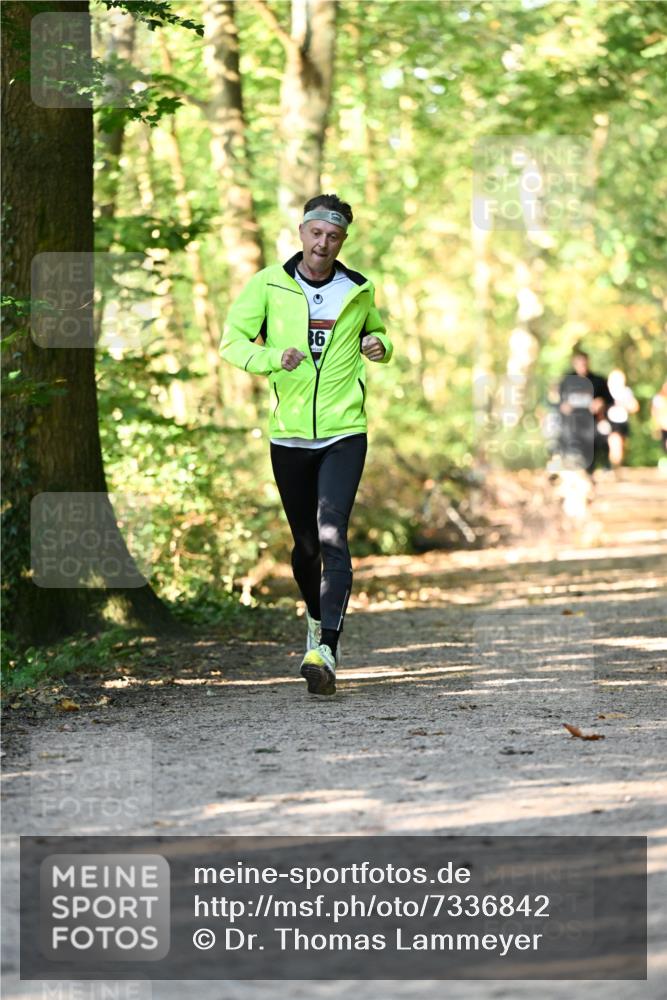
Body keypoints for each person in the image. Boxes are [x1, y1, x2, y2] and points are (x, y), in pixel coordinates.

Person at [219, 194, 393, 696]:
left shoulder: (357, 288)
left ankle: (328, 650)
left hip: (344, 431)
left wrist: (380, 346)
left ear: (343, 240)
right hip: (289, 435)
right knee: (306, 546)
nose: (323, 243)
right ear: (302, 232)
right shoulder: (269, 284)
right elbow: (232, 341)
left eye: (333, 236)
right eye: (316, 233)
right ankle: (315, 624)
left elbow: (377, 335)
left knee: (333, 536)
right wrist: (273, 358)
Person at [558, 348, 614, 475]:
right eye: (579, 363)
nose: (582, 366)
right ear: (574, 363)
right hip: (572, 424)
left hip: (593, 421)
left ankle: (600, 468)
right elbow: (558, 403)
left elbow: (609, 400)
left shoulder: (599, 381)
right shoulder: (566, 381)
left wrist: (601, 403)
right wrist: (564, 406)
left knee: (598, 440)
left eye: (584, 362)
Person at [606, 368, 639, 472]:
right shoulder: (606, 391)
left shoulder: (626, 391)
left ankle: (616, 467)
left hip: (623, 422)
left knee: (621, 446)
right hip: (610, 422)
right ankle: (613, 468)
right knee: (615, 444)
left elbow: (635, 407)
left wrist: (625, 404)